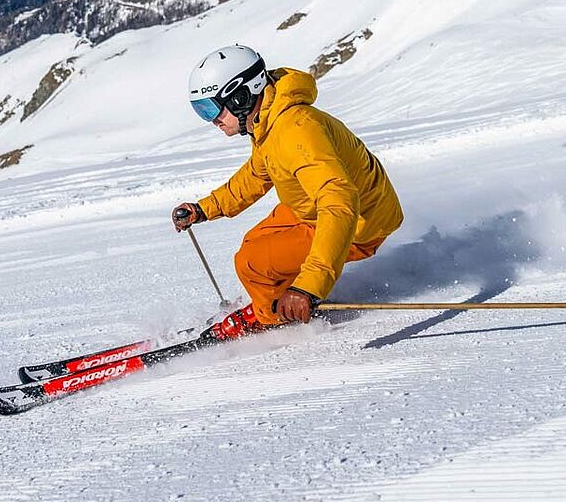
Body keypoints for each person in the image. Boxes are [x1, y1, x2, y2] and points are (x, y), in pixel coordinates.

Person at [172, 45, 403, 328]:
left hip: (358, 223)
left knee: (252, 263)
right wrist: (203, 208)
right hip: (316, 207)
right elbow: (256, 175)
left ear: (240, 96)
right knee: (254, 242)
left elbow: (339, 202)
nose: (212, 121)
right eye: (201, 111)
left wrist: (309, 286)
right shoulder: (269, 120)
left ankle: (275, 318)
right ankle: (275, 297)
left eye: (210, 108)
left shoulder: (295, 130)